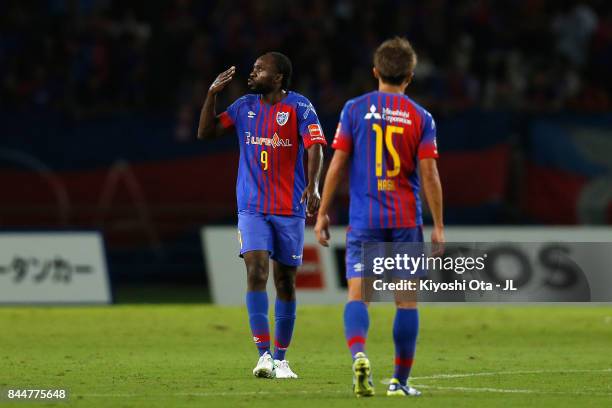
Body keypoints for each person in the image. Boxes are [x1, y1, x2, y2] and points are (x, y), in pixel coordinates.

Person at [314, 37, 444, 397]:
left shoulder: (354, 109)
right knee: (405, 301)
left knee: (359, 296)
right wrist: (438, 224)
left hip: (364, 218)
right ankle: (399, 383)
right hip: (404, 219)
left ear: (375, 72)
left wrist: (323, 211)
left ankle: (359, 355)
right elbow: (429, 172)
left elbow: (338, 162)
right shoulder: (421, 117)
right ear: (410, 76)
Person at [198, 52, 326, 379]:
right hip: (252, 208)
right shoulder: (243, 106)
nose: (252, 72)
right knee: (256, 272)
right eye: (253, 68)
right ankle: (263, 355)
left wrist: (312, 187)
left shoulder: (299, 107)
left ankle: (282, 359)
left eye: (260, 69)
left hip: (289, 209)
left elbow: (315, 146)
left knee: (285, 281)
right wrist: (212, 95)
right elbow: (207, 132)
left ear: (279, 77)